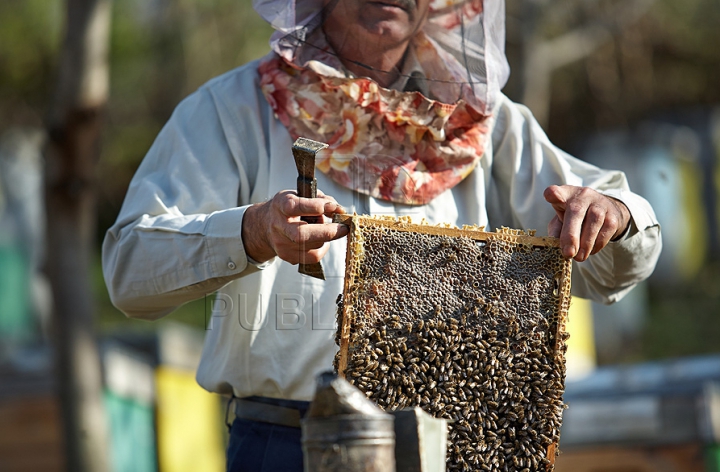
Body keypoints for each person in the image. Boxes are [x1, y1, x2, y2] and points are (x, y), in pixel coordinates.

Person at [102, 0, 662, 469]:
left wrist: (613, 214)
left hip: (454, 444)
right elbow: (129, 270)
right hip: (287, 445)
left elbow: (613, 264)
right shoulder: (231, 111)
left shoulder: (484, 126)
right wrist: (250, 232)